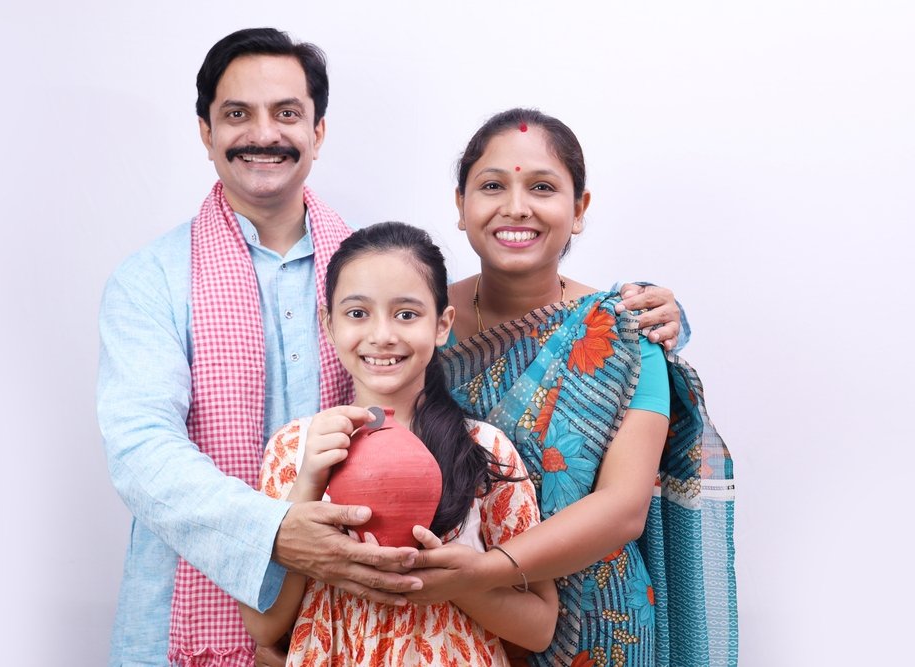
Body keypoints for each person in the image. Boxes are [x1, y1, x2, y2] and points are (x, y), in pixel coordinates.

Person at [97, 27, 688, 667]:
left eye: (287, 113)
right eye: (237, 113)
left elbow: (584, 365)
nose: (382, 332)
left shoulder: (381, 275)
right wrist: (281, 530)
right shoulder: (155, 281)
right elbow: (141, 453)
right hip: (237, 616)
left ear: (317, 132)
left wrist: (652, 321)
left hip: (561, 624)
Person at [407, 109, 738, 666]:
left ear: (579, 210)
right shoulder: (413, 322)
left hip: (599, 626)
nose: (516, 207)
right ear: (460, 205)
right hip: (449, 629)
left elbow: (623, 507)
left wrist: (487, 570)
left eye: (542, 187)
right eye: (492, 186)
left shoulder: (625, 333)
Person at [239, 222, 559, 665]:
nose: (382, 335)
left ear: (442, 324)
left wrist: (457, 583)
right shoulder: (295, 449)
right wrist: (309, 484)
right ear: (328, 325)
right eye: (357, 314)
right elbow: (263, 625)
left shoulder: (485, 448)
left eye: (406, 314)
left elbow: (540, 628)